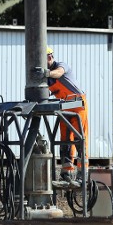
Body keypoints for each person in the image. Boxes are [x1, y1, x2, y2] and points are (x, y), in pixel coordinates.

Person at [44, 47, 88, 180]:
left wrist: (45, 73)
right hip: (64, 106)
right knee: (65, 139)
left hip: (78, 104)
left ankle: (82, 171)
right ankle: (66, 170)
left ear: (50, 57)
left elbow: (58, 73)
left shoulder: (61, 66)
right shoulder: (47, 77)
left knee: (79, 138)